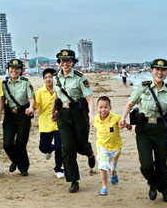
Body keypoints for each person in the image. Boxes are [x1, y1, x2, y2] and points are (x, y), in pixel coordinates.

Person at [120, 59, 167, 203]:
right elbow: (130, 103)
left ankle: (165, 190)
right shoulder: (143, 87)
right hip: (144, 131)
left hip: (161, 131)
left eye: (163, 70)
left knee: (161, 164)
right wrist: (123, 118)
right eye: (157, 69)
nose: (160, 72)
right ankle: (153, 184)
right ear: (151, 71)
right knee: (146, 165)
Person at [52, 49, 96, 193]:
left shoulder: (80, 77)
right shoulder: (56, 77)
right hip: (63, 115)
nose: (65, 63)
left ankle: (89, 152)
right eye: (62, 61)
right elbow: (57, 96)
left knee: (81, 146)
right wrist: (53, 111)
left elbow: (89, 98)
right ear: (59, 62)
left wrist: (91, 116)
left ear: (73, 63)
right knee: (68, 147)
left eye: (68, 61)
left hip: (78, 114)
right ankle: (73, 180)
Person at [2, 59, 35, 177]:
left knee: (21, 143)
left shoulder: (26, 82)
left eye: (17, 69)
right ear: (8, 69)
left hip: (23, 115)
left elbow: (31, 98)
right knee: (7, 144)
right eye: (12, 68)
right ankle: (15, 160)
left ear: (21, 70)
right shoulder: (4, 84)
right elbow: (1, 100)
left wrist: (31, 107)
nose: (14, 71)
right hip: (10, 116)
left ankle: (23, 167)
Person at [94, 96, 132, 196]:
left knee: (112, 166)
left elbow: (128, 127)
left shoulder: (116, 117)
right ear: (97, 108)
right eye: (101, 107)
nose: (103, 110)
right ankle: (104, 187)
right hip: (102, 146)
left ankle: (113, 172)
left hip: (116, 148)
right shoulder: (96, 119)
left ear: (110, 107)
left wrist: (125, 124)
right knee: (103, 165)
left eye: (106, 107)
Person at [34, 68, 64, 179]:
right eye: (46, 77)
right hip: (45, 124)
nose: (48, 79)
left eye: (50, 77)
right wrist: (30, 109)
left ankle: (58, 169)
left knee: (59, 146)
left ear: (54, 78)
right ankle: (50, 149)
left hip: (58, 123)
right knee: (43, 148)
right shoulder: (40, 92)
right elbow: (35, 105)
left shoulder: (60, 90)